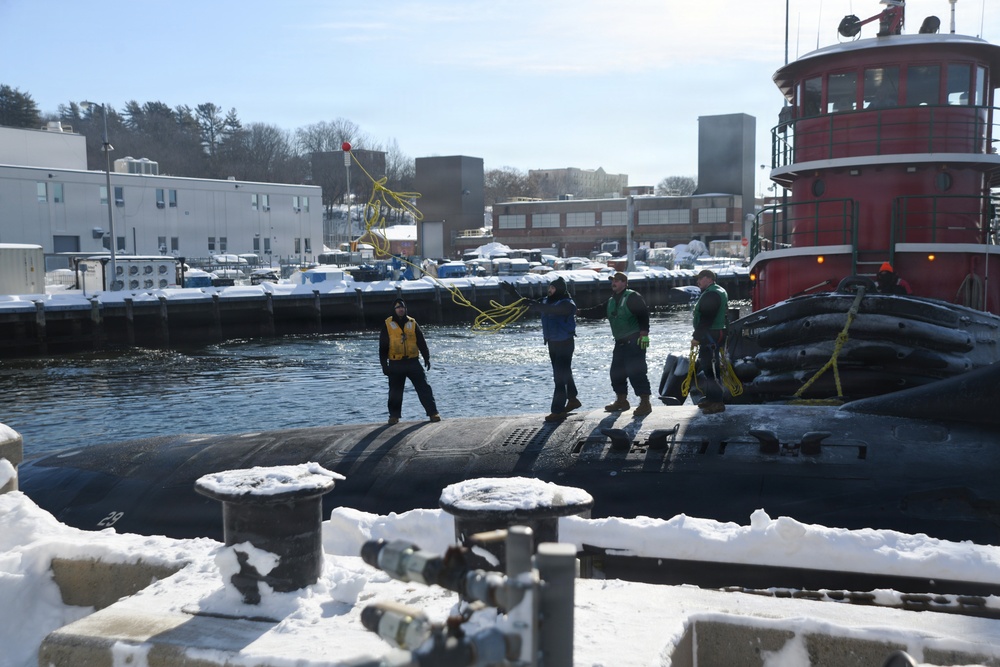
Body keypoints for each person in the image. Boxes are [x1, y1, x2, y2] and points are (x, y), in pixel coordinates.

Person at [580, 271, 652, 418]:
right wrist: (579, 312)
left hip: (634, 341)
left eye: (618, 280)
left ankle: (645, 402)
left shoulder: (632, 297)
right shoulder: (612, 300)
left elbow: (643, 314)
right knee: (616, 372)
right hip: (620, 343)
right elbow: (598, 311)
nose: (614, 283)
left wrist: (644, 334)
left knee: (636, 372)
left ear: (625, 283)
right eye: (613, 280)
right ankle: (621, 400)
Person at [523, 277, 582, 422]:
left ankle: (557, 410)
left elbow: (554, 310)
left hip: (565, 343)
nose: (549, 290)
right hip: (552, 343)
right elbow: (534, 304)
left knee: (559, 377)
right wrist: (514, 294)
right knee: (564, 372)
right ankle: (573, 399)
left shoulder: (568, 304)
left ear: (560, 289)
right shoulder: (546, 301)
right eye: (549, 287)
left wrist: (535, 305)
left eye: (553, 288)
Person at [379, 298, 440, 425]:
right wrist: (384, 365)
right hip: (396, 363)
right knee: (395, 392)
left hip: (413, 362)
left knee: (424, 388)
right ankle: (394, 416)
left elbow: (421, 342)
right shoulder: (388, 325)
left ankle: (433, 413)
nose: (401, 309)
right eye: (398, 307)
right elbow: (383, 347)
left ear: (405, 309)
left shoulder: (412, 323)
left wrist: (426, 357)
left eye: (402, 307)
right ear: (394, 310)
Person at [691, 269, 729, 415]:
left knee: (712, 369)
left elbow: (706, 318)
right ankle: (711, 398)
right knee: (708, 368)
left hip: (711, 335)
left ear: (708, 279)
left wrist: (696, 336)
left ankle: (718, 402)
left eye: (700, 279)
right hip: (712, 334)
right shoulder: (715, 291)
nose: (698, 282)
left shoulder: (712, 293)